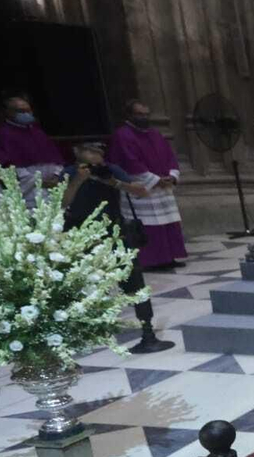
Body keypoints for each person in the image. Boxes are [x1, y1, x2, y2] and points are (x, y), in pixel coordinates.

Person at [61, 143, 173, 353]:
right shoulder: (70, 172)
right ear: (78, 153)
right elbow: (63, 202)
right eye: (91, 152)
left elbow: (142, 192)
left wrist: (114, 182)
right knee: (85, 281)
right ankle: (88, 329)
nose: (96, 156)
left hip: (115, 230)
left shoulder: (111, 170)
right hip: (81, 233)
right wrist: (79, 180)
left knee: (134, 280)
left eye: (99, 153)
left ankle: (146, 329)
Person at [106, 99, 187, 270]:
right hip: (141, 187)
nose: (144, 118)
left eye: (146, 114)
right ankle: (151, 261)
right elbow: (130, 161)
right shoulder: (123, 135)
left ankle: (169, 257)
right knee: (148, 225)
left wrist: (172, 175)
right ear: (129, 115)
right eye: (139, 114)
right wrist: (155, 180)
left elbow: (169, 156)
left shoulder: (155, 134)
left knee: (167, 223)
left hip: (163, 187)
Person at [0, 96, 64, 201]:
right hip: (29, 190)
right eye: (21, 111)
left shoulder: (37, 132)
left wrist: (56, 175)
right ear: (8, 112)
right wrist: (38, 181)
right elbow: (11, 165)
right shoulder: (5, 134)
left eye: (28, 110)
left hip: (52, 185)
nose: (26, 114)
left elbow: (55, 158)